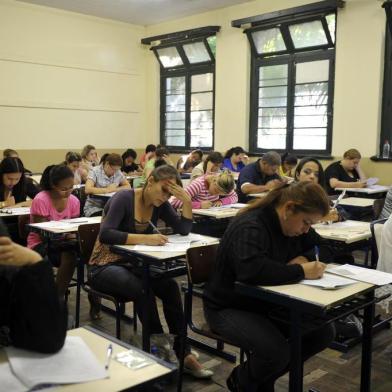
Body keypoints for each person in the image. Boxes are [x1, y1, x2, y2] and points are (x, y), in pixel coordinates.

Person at [203, 181, 335, 391]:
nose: (306, 230)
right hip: (228, 306)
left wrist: (303, 258)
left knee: (322, 332)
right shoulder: (251, 225)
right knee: (276, 352)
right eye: (306, 223)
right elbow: (252, 271)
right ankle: (243, 380)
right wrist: (301, 271)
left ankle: (260, 379)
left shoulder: (294, 224)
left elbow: (326, 246)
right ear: (289, 208)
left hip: (267, 302)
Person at [88, 165, 212, 378]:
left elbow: (183, 230)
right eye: (164, 190)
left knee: (171, 288)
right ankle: (160, 351)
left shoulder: (160, 204)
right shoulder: (123, 198)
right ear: (150, 181)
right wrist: (146, 238)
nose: (165, 197)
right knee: (142, 289)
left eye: (170, 193)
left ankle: (184, 353)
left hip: (135, 265)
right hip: (104, 265)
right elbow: (106, 234)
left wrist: (187, 201)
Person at [0, 219, 67, 353]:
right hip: (42, 243)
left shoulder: (8, 273)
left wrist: (35, 263)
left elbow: (49, 339)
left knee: (68, 254)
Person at [27, 165, 80, 298]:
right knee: (69, 255)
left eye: (71, 187)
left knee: (83, 252)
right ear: (53, 185)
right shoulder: (41, 199)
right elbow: (42, 233)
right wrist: (66, 236)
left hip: (63, 242)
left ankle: (59, 296)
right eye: (63, 189)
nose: (68, 192)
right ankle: (56, 298)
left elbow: (74, 227)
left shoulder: (74, 201)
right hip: (40, 243)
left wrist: (72, 236)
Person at [171, 171, 237, 210]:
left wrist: (221, 201)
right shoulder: (198, 184)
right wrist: (199, 205)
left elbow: (235, 197)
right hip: (194, 219)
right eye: (216, 191)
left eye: (219, 194)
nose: (215, 194)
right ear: (214, 181)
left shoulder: (223, 185)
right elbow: (174, 202)